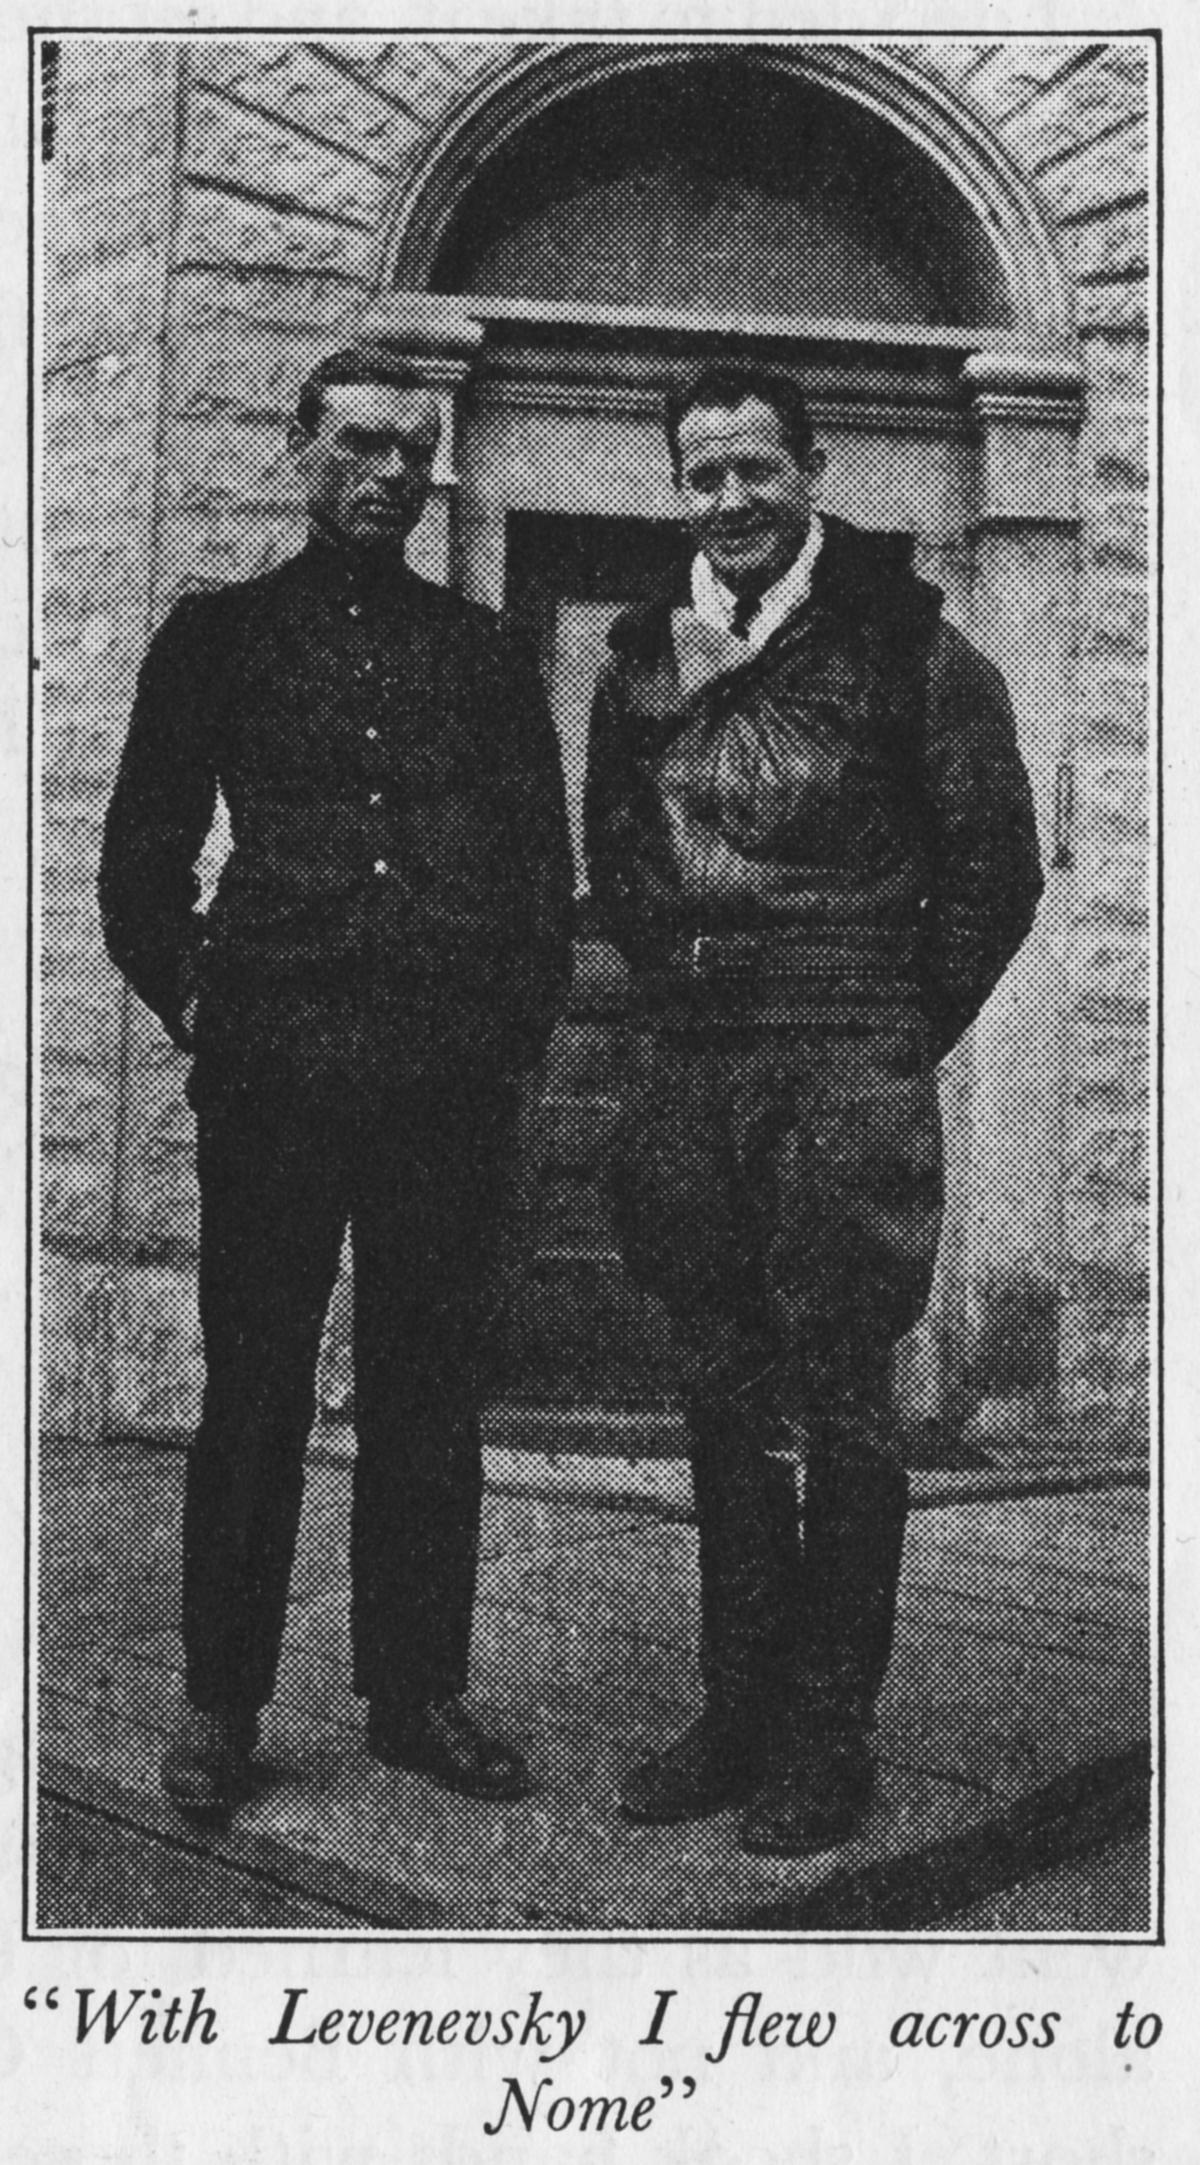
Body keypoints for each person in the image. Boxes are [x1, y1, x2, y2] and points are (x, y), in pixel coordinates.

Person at [100, 347, 574, 1818]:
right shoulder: (221, 638)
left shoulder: (481, 652)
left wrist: (499, 1038)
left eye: (411, 452)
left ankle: (417, 1692)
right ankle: (221, 1704)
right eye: (359, 443)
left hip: (440, 1088)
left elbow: (540, 877)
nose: (387, 475)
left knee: (430, 1389)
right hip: (276, 1082)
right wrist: (208, 1007)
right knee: (255, 1388)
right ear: (298, 445)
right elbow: (139, 867)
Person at [584, 361, 1043, 1857]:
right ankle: (736, 1712)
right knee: (720, 1390)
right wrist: (689, 997)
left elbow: (994, 873)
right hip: (694, 1067)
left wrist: (886, 1031)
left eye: (756, 470)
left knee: (843, 1401)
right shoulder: (639, 655)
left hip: (845, 1064)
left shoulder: (913, 647)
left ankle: (827, 1734)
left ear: (813, 470)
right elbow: (618, 858)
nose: (731, 501)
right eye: (703, 475)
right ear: (679, 487)